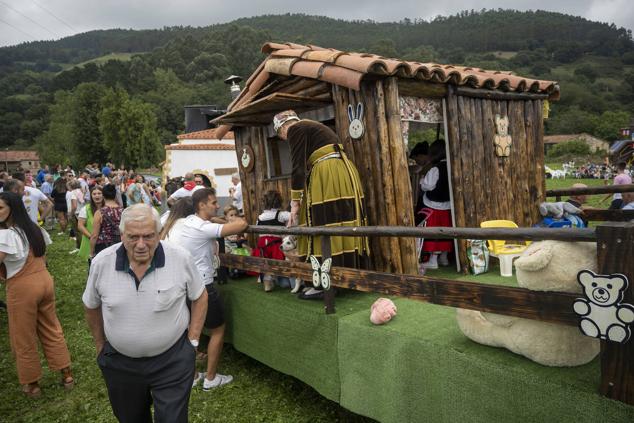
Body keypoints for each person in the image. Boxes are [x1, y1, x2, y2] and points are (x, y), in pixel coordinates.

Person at [83, 204, 208, 422]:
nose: (141, 244)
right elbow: (91, 305)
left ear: (159, 234)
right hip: (120, 364)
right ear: (122, 235)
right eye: (133, 237)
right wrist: (100, 345)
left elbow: (200, 296)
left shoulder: (180, 258)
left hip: (172, 360)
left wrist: (193, 341)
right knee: (131, 418)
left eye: (149, 236)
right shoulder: (102, 262)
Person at [273, 110, 369, 299]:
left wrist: (294, 203)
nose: (285, 139)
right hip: (342, 171)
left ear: (283, 127)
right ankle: (347, 277)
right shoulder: (311, 126)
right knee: (342, 221)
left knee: (320, 222)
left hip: (326, 173)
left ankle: (325, 283)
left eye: (281, 135)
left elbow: (297, 167)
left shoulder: (295, 129)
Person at [167, 188, 247, 391]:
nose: (218, 205)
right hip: (202, 286)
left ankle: (193, 375)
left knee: (190, 332)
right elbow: (242, 224)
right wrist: (226, 221)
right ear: (201, 205)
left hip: (182, 285)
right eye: (213, 203)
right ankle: (210, 378)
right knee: (218, 330)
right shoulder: (202, 227)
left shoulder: (187, 223)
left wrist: (216, 220)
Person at [0, 192, 73, 397]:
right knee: (51, 327)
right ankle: (66, 373)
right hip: (44, 280)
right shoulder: (34, 228)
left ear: (11, 209)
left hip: (22, 287)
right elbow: (43, 255)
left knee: (22, 336)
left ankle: (32, 384)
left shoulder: (6, 235)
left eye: (0, 208)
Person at [418, 139, 453, 269]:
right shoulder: (451, 166)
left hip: (433, 205)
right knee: (446, 231)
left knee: (434, 232)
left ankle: (433, 260)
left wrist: (421, 181)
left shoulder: (435, 169)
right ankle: (443, 258)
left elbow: (428, 186)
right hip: (448, 205)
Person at [251, 190, 291, 292]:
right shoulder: (281, 215)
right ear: (279, 202)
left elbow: (257, 228)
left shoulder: (260, 217)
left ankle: (267, 280)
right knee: (278, 263)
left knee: (265, 262)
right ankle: (280, 279)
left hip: (262, 245)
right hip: (275, 244)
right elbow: (293, 216)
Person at [90, 184, 123, 258]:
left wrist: (91, 252)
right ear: (115, 196)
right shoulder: (123, 211)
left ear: (103, 196)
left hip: (103, 246)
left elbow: (94, 235)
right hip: (120, 244)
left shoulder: (100, 212)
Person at [78, 186, 104, 262]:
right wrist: (91, 237)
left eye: (99, 193)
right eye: (94, 194)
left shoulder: (107, 208)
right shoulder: (86, 209)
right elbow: (80, 225)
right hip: (91, 241)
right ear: (91, 196)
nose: (97, 196)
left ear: (103, 195)